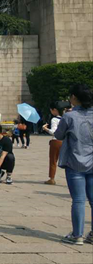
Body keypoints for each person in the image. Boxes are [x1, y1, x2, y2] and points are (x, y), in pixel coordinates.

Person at [54, 84, 93, 246]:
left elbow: (58, 135)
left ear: (74, 98)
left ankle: (77, 235)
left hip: (75, 161)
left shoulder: (69, 116)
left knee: (78, 200)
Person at [42, 101, 69, 185]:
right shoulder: (67, 118)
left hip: (56, 141)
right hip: (65, 141)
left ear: (54, 110)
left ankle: (52, 178)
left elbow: (54, 132)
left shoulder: (54, 119)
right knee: (67, 161)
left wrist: (45, 129)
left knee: (53, 160)